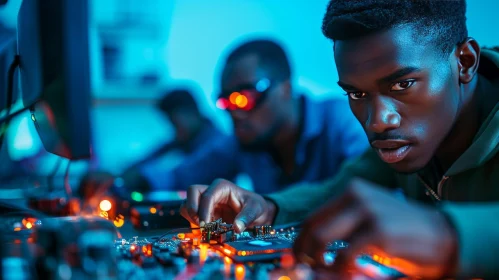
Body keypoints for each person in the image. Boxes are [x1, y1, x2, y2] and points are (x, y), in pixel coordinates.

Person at [181, 1, 499, 278]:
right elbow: (337, 191)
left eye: (403, 85)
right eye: (357, 93)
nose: (377, 121)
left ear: (465, 62)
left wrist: (445, 235)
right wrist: (268, 208)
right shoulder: (401, 139)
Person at [141, 39, 368, 194]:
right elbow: (181, 176)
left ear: (285, 88)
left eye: (243, 98)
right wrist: (123, 182)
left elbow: (373, 190)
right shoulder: (244, 140)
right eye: (226, 102)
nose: (235, 113)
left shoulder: (342, 122)